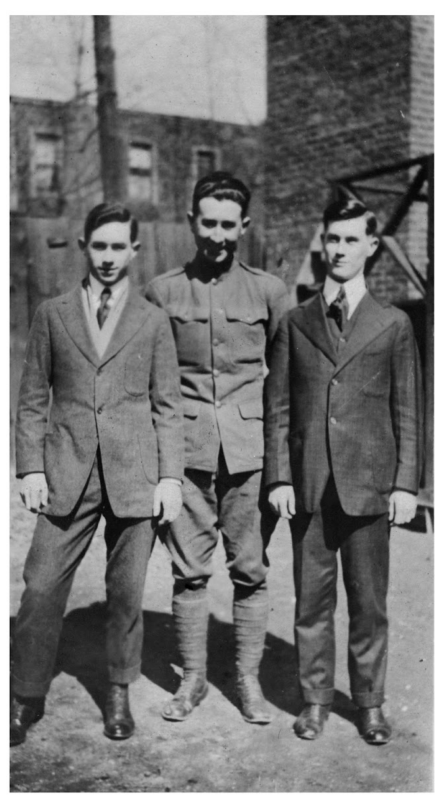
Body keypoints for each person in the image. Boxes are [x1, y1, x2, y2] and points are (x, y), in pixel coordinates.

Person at [9, 202, 183, 745]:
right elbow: (34, 398)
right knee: (40, 585)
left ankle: (117, 692)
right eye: (99, 246)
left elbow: (167, 406)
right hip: (68, 470)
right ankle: (26, 693)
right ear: (85, 246)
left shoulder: (153, 320)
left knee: (126, 592)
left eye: (118, 247)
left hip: (136, 473)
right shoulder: (52, 313)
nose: (108, 258)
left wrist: (171, 478)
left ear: (134, 250)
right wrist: (31, 467)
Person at [264, 198, 421, 744]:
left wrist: (406, 484)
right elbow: (278, 406)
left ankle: (370, 703)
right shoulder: (295, 322)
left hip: (370, 485)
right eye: (332, 238)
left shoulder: (393, 324)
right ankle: (314, 700)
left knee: (369, 603)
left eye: (352, 240)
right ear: (323, 242)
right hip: (307, 485)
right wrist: (279, 477)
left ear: (371, 246)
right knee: (312, 600)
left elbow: (408, 410)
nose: (339, 250)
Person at [144, 172, 289, 724]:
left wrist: (279, 466)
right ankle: (193, 680)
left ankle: (248, 682)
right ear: (191, 222)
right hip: (186, 455)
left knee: (250, 569)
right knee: (189, 571)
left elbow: (281, 386)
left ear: (244, 227)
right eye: (209, 223)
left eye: (230, 225)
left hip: (250, 458)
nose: (219, 236)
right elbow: (152, 382)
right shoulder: (162, 291)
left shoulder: (269, 292)